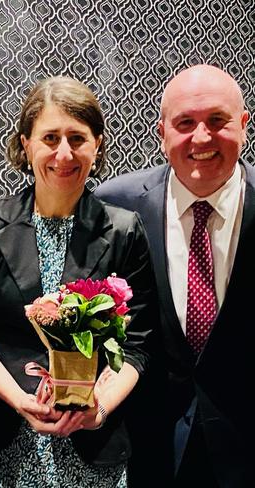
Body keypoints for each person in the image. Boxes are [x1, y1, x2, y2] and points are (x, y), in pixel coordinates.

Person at [0, 76, 158, 487]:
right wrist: (20, 401)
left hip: (92, 447)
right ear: (26, 144)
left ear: (96, 145)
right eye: (50, 138)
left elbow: (139, 343)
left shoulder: (124, 230)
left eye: (77, 138)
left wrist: (98, 408)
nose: (64, 153)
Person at [96, 64, 254, 488]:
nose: (202, 137)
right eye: (185, 123)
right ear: (163, 131)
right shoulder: (114, 205)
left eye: (217, 121)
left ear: (243, 124)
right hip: (148, 449)